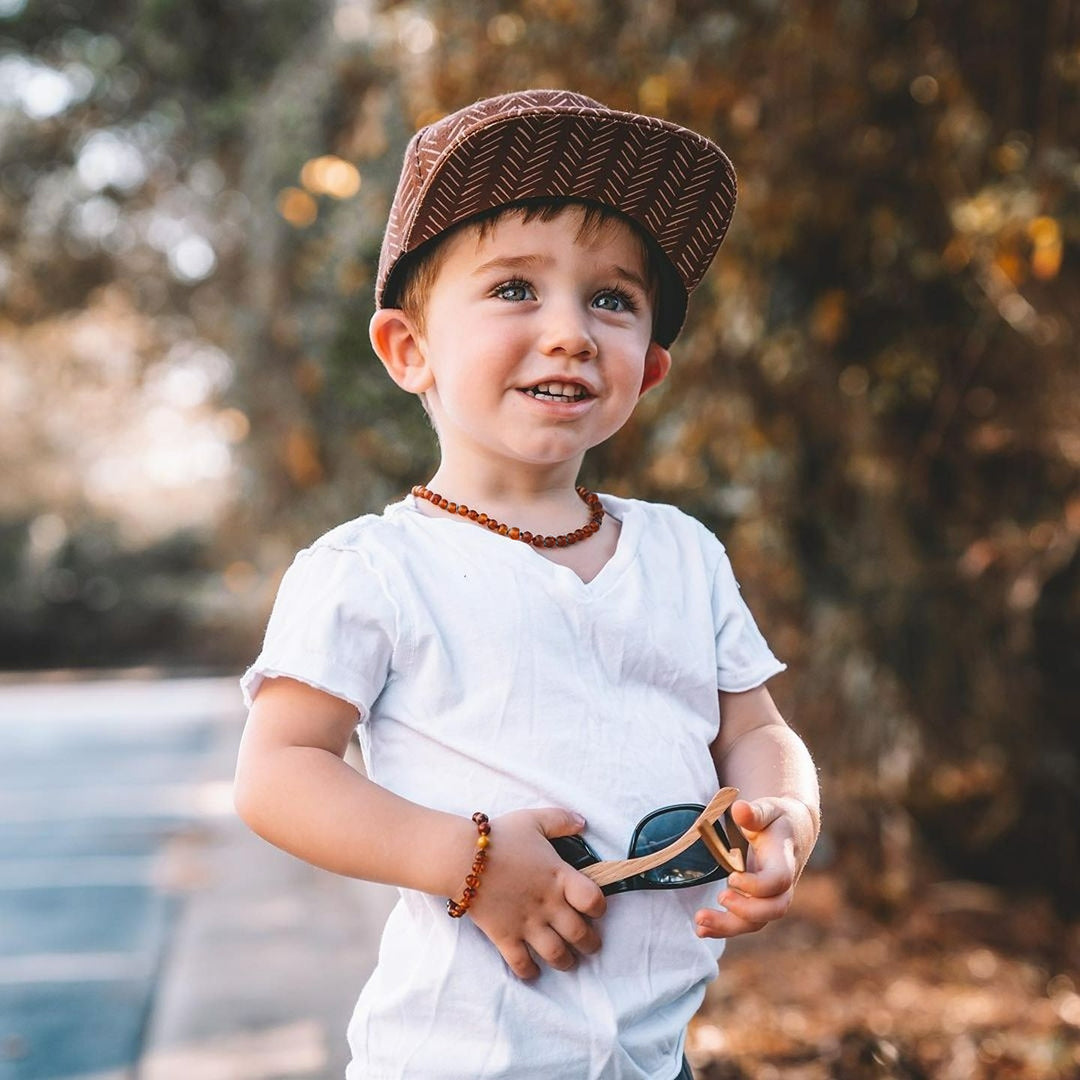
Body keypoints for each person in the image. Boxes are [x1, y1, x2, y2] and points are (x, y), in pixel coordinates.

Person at [234, 89, 820, 1080]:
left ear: (651, 367)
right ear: (408, 350)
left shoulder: (682, 554)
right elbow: (279, 771)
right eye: (515, 288)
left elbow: (755, 731)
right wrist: (458, 860)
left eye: (613, 299)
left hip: (652, 1054)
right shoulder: (371, 571)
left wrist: (787, 815)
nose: (571, 331)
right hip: (462, 1055)